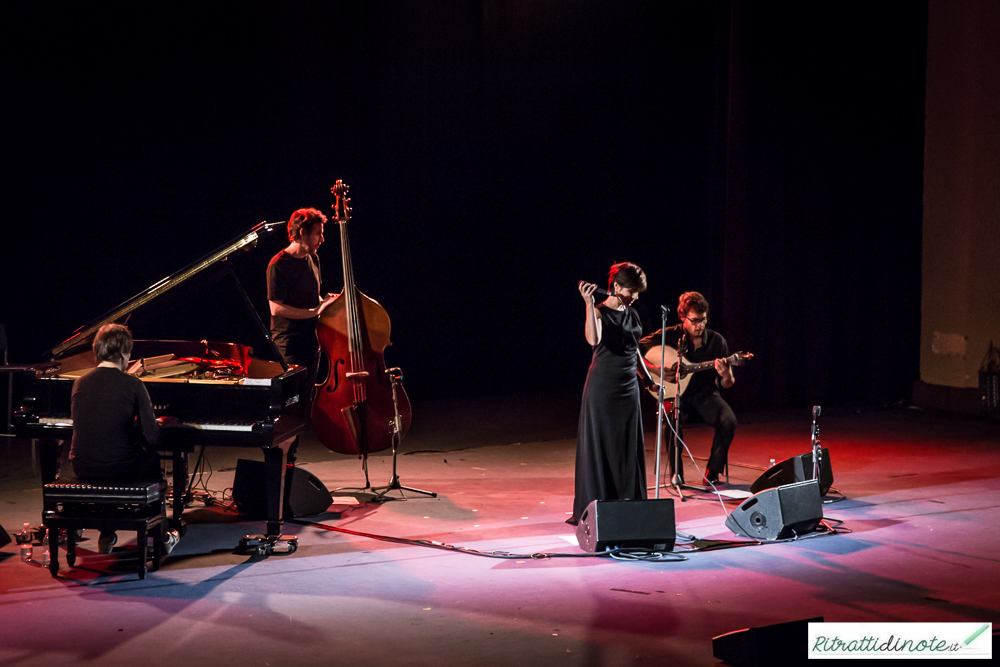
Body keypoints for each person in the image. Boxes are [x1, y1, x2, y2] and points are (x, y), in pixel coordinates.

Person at [68, 323, 164, 553]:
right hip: (119, 469)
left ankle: (108, 531)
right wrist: (162, 423)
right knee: (151, 460)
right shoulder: (133, 384)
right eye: (129, 353)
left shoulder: (79, 382)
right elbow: (152, 437)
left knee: (109, 451)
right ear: (123, 353)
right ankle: (158, 533)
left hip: (82, 467)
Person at [570, 262, 648, 525]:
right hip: (603, 387)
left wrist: (647, 380)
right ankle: (599, 507)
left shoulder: (632, 313)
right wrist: (589, 304)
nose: (635, 296)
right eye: (631, 291)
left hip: (629, 388)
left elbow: (633, 348)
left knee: (627, 446)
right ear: (615, 287)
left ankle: (628, 504)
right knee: (603, 445)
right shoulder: (601, 312)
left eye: (638, 292)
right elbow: (593, 340)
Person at [639, 291, 736, 485]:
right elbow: (637, 349)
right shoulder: (669, 335)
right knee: (669, 417)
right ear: (682, 317)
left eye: (703, 320)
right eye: (694, 321)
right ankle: (677, 474)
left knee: (728, 420)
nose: (699, 326)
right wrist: (655, 370)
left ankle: (712, 473)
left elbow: (726, 383)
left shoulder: (718, 342)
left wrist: (727, 375)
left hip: (705, 396)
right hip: (676, 396)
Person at [267, 207, 335, 385]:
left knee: (308, 400)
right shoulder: (278, 264)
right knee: (291, 403)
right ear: (302, 232)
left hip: (312, 342)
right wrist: (315, 311)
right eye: (318, 234)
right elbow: (276, 309)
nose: (322, 239)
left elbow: (312, 296)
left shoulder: (314, 259)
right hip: (289, 345)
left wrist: (328, 302)